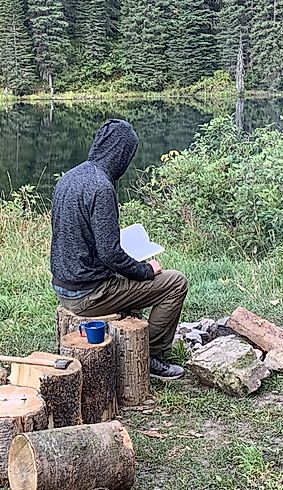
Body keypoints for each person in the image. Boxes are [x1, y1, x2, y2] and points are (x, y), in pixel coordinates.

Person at [50, 118, 188, 380]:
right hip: (88, 294)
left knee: (133, 276)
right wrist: (147, 270)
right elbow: (110, 254)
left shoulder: (70, 177)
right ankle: (151, 356)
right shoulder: (101, 187)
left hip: (63, 285)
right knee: (175, 282)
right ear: (121, 154)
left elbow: (80, 238)